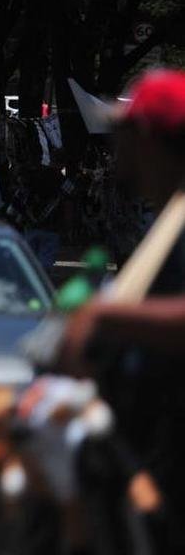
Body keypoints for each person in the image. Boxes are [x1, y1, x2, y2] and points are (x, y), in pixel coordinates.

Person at [56, 69, 185, 552]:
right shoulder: (168, 219)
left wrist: (105, 317)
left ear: (149, 140)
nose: (115, 147)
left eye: (124, 134)